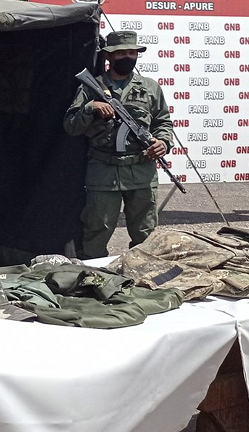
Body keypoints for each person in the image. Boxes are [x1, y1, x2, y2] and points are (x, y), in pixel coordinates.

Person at [63, 29, 173, 259]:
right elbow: (71, 126)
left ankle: (144, 275)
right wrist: (90, 108)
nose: (128, 57)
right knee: (97, 230)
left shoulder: (150, 88)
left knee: (146, 232)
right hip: (104, 171)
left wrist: (162, 142)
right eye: (121, 53)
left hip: (142, 170)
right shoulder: (91, 87)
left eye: (132, 53)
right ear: (109, 57)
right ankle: (94, 279)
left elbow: (163, 122)